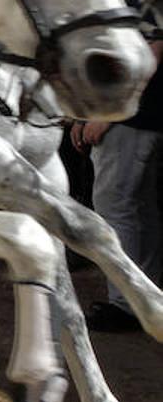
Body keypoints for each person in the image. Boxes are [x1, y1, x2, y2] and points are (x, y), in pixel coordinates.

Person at [70, 37, 163, 332]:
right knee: (136, 209)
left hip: (133, 116)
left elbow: (153, 47)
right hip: (137, 114)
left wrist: (109, 112)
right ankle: (145, 299)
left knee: (117, 207)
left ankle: (127, 305)